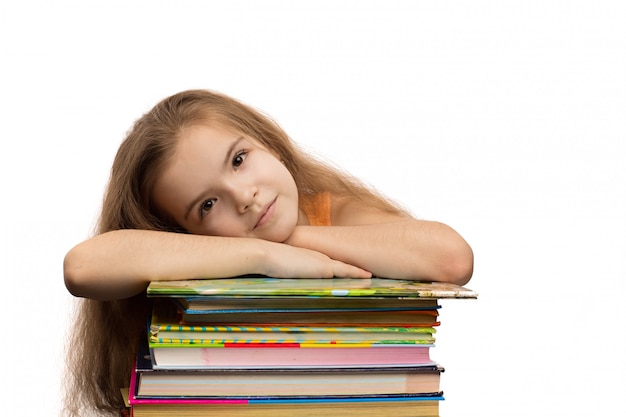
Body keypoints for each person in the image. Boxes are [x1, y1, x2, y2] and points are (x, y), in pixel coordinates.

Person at [62, 89, 473, 416]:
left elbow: (451, 259)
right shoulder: (196, 251)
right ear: (179, 232)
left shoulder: (333, 213)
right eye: (207, 206)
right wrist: (263, 255)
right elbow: (82, 269)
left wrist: (293, 240)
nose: (244, 197)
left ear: (270, 143)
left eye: (239, 159)